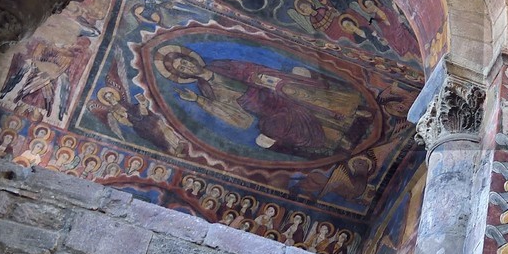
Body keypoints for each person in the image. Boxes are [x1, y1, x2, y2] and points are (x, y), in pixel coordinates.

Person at [153, 42, 373, 158]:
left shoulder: (217, 65)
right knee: (275, 128)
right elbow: (226, 112)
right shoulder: (204, 89)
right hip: (259, 108)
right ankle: (333, 139)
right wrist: (197, 100)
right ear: (184, 75)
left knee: (293, 90)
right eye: (183, 69)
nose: (188, 66)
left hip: (265, 88)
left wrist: (262, 79)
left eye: (185, 62)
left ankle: (354, 110)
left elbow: (245, 69)